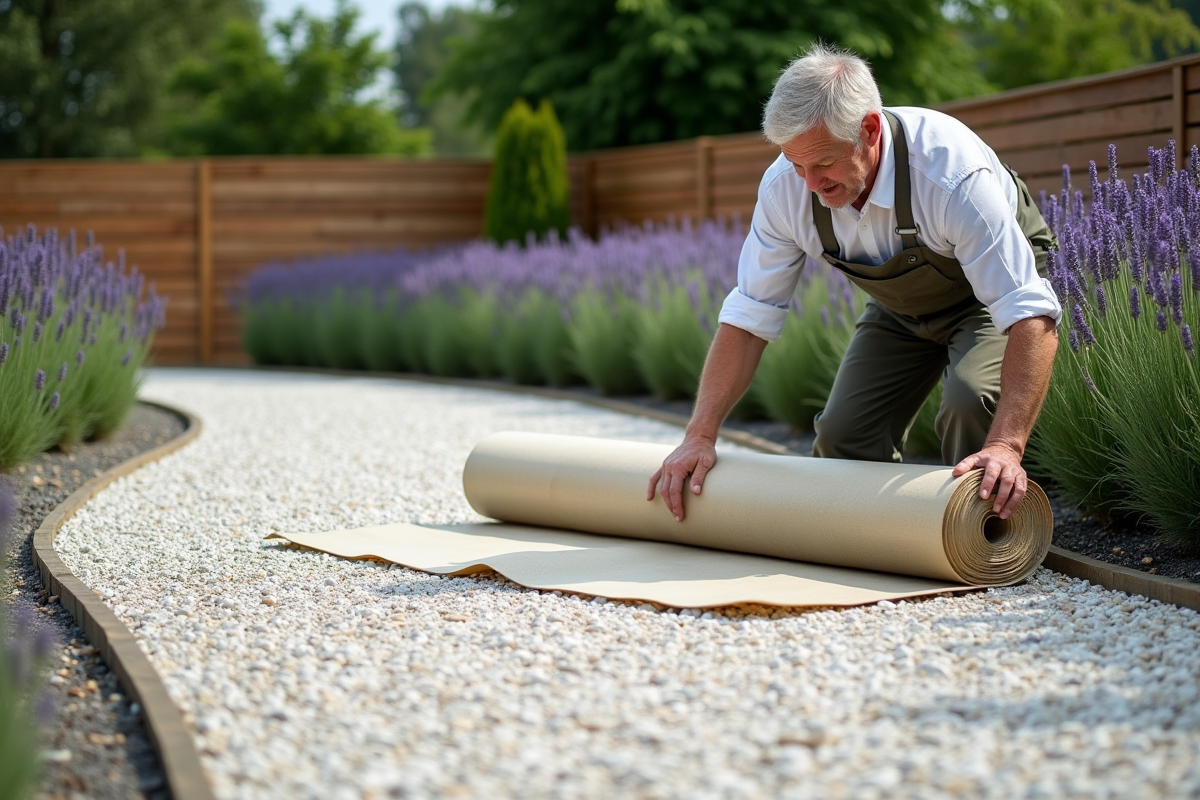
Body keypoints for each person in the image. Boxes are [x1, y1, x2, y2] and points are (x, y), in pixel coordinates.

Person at [647, 43, 1062, 524]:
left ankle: (988, 534)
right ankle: (875, 534)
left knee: (971, 401)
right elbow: (749, 316)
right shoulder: (787, 188)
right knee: (844, 433)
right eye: (796, 164)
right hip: (899, 310)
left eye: (822, 162)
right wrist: (699, 436)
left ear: (868, 129)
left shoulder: (949, 173)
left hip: (988, 297)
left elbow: (1027, 309)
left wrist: (1008, 446)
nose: (809, 183)